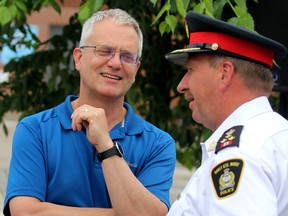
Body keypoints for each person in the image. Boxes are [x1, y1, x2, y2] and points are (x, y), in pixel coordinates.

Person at [3, 8, 176, 216]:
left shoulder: (158, 144)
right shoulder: (35, 130)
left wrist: (105, 144)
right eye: (104, 51)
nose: (115, 63)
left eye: (128, 56)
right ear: (78, 58)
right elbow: (25, 213)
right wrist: (122, 212)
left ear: (136, 69)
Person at [165, 11, 288, 215]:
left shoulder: (240, 153)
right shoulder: (276, 135)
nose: (181, 85)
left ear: (224, 73)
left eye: (190, 71)